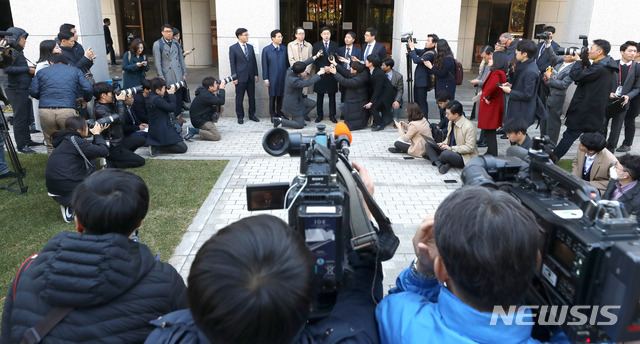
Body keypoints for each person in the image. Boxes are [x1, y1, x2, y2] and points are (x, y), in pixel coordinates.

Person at [144, 163, 381, 344]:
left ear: (196, 301)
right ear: (310, 305)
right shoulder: (354, 336)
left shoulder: (166, 336)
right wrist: (362, 215)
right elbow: (362, 295)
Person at [1, 168, 187, 343]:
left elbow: (9, 336)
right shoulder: (166, 281)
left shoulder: (27, 269)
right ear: (139, 223)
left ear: (77, 221)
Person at [376, 186, 570, 344]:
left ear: (441, 270)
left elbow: (403, 302)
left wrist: (423, 270)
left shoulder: (399, 318)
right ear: (537, 260)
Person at [553, 39, 618, 159]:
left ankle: (552, 159)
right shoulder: (605, 65)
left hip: (584, 111)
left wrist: (578, 62)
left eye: (591, 49)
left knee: (569, 136)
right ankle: (598, 163)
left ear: (600, 51)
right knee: (591, 142)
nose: (589, 51)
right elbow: (588, 78)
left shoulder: (601, 67)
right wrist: (585, 61)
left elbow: (576, 76)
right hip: (592, 111)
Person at [44, 116, 109, 222]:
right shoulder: (75, 141)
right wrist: (97, 134)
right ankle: (72, 206)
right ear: (79, 130)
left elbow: (92, 151)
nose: (88, 128)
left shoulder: (66, 139)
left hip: (56, 189)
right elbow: (104, 151)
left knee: (91, 158)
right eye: (86, 126)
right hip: (67, 191)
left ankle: (72, 204)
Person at [29, 54, 93, 154]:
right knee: (71, 141)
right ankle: (70, 165)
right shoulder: (75, 71)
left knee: (50, 143)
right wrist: (85, 99)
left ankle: (53, 167)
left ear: (51, 63)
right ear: (68, 63)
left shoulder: (41, 72)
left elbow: (33, 91)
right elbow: (88, 88)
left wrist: (44, 98)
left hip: (45, 111)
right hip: (67, 110)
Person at [5, 27, 41, 154]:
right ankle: (21, 145)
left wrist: (30, 68)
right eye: (23, 39)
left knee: (25, 116)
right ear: (16, 39)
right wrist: (28, 70)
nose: (25, 41)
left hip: (22, 88)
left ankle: (27, 140)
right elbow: (7, 69)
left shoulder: (17, 51)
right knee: (20, 117)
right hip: (15, 89)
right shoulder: (9, 52)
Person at [93, 81, 146, 168]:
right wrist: (120, 102)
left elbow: (121, 115)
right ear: (103, 95)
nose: (113, 95)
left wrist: (124, 101)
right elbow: (120, 120)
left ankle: (121, 156)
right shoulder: (100, 110)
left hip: (119, 141)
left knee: (141, 139)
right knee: (140, 161)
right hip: (111, 145)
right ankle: (112, 163)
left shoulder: (107, 104)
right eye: (111, 93)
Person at [498, 39, 547, 126]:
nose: (515, 52)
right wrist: (511, 85)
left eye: (518, 50)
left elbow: (527, 95)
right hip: (517, 109)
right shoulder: (524, 65)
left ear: (525, 54)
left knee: (518, 137)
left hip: (522, 112)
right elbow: (523, 86)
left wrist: (509, 91)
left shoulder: (530, 71)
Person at [424, 100, 478, 174]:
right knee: (428, 145)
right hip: (450, 149)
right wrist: (443, 143)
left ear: (456, 115)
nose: (446, 116)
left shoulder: (469, 127)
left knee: (445, 154)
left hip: (463, 156)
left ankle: (434, 158)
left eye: (448, 114)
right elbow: (448, 139)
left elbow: (470, 148)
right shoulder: (451, 122)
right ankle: (439, 164)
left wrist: (451, 148)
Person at [274, 51, 325, 129]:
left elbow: (304, 63)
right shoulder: (294, 81)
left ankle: (299, 118)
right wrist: (318, 74)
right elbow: (308, 82)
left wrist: (316, 56)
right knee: (300, 125)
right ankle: (280, 120)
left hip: (298, 99)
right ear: (300, 72)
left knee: (312, 104)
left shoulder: (291, 69)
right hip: (293, 104)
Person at [540, 37, 576, 145]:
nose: (565, 54)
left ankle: (551, 144)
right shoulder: (561, 61)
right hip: (548, 94)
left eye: (568, 53)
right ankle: (543, 141)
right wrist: (548, 43)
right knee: (544, 121)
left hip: (557, 98)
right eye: (565, 52)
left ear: (575, 57)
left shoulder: (573, 69)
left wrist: (550, 78)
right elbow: (552, 56)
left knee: (553, 123)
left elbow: (563, 85)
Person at [605, 41, 639, 152]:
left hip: (624, 102)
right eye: (630, 51)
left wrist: (628, 96)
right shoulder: (612, 64)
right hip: (608, 100)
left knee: (616, 128)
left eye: (634, 51)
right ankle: (600, 146)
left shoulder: (637, 68)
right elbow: (604, 82)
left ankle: (610, 150)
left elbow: (637, 88)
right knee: (602, 124)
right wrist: (608, 92)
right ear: (622, 52)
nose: (632, 53)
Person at [145, 77, 188, 157]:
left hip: (160, 125)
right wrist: (172, 95)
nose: (165, 90)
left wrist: (169, 93)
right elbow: (171, 108)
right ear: (157, 90)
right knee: (183, 148)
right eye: (164, 88)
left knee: (179, 122)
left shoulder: (152, 96)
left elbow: (164, 102)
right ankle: (157, 145)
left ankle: (156, 143)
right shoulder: (156, 99)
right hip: (161, 129)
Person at [153, 24, 188, 118]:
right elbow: (157, 62)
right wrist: (161, 76)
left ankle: (178, 116)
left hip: (178, 72)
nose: (169, 33)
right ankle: (171, 117)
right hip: (167, 73)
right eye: (167, 31)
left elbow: (181, 59)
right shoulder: (158, 44)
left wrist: (184, 72)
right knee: (169, 94)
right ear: (162, 32)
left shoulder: (176, 43)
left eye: (170, 31)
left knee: (179, 95)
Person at [477, 51, 508, 156]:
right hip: (494, 103)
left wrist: (485, 95)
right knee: (490, 131)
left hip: (491, 104)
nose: (489, 60)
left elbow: (493, 86)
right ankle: (490, 151)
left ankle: (492, 152)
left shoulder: (497, 72)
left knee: (490, 130)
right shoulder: (499, 72)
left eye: (491, 59)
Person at [31, 39, 62, 135]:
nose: (60, 49)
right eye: (57, 48)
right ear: (49, 50)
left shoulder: (51, 63)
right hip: (46, 100)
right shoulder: (44, 65)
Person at [229, 28, 259, 124]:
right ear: (239, 36)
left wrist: (256, 74)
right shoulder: (233, 48)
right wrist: (234, 77)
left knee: (252, 97)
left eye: (247, 35)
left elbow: (254, 62)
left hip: (250, 76)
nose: (247, 37)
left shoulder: (250, 47)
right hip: (240, 77)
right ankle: (240, 116)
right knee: (239, 98)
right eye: (245, 35)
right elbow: (232, 64)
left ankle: (252, 114)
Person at [328, 59, 369, 130]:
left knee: (343, 107)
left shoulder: (359, 79)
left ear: (355, 70)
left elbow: (345, 81)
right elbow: (346, 73)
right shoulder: (361, 73)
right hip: (355, 100)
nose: (350, 69)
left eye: (351, 68)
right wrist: (335, 63)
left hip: (356, 102)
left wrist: (335, 73)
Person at [312, 26, 339, 123]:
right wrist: (324, 68)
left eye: (328, 33)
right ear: (321, 35)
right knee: (320, 95)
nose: (326, 35)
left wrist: (330, 67)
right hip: (321, 73)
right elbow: (315, 60)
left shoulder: (335, 45)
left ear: (330, 34)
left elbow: (337, 58)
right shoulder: (316, 45)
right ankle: (320, 115)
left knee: (332, 95)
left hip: (332, 73)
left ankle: (332, 115)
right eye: (324, 34)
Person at [603, 154, 640, 223]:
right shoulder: (614, 181)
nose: (613, 169)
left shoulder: (637, 199)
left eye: (616, 167)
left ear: (626, 175)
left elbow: (633, 224)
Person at [186, 77, 225, 141]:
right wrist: (222, 89)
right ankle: (194, 130)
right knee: (216, 136)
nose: (217, 85)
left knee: (220, 108)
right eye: (216, 84)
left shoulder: (206, 92)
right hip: (200, 121)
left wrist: (219, 89)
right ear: (210, 87)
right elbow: (221, 101)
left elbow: (219, 102)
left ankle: (209, 126)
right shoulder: (206, 95)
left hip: (203, 116)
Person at [408, 34, 437, 118]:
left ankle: (425, 121)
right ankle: (418, 120)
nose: (426, 42)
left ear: (434, 43)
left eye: (428, 41)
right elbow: (417, 51)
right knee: (417, 102)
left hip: (423, 82)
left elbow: (416, 60)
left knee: (422, 102)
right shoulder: (426, 50)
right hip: (419, 81)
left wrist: (412, 49)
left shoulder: (431, 53)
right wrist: (411, 46)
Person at [262, 30, 288, 122]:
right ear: (273, 38)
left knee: (281, 96)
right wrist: (266, 79)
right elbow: (264, 65)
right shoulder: (266, 50)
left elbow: (287, 64)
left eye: (281, 37)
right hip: (272, 77)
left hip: (282, 76)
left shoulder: (284, 49)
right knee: (272, 96)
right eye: (278, 37)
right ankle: (272, 115)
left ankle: (280, 113)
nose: (280, 38)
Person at [365, 55, 394, 131]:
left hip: (385, 94)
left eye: (367, 60)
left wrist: (371, 102)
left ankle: (380, 124)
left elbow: (377, 89)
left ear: (371, 63)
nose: (365, 61)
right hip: (380, 93)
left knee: (372, 107)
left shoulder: (378, 73)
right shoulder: (372, 70)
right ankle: (378, 122)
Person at [286, 26, 314, 98]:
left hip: (306, 74)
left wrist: (306, 71)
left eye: (303, 33)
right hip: (295, 74)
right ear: (296, 35)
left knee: (305, 95)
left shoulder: (309, 45)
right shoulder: (291, 45)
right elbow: (291, 59)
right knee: (296, 95)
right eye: (300, 33)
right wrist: (298, 70)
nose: (302, 35)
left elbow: (311, 60)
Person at [621, 51, 640, 152]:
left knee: (629, 120)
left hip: (636, 99)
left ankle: (627, 143)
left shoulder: (638, 66)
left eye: (634, 51)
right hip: (623, 95)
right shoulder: (629, 64)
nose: (632, 53)